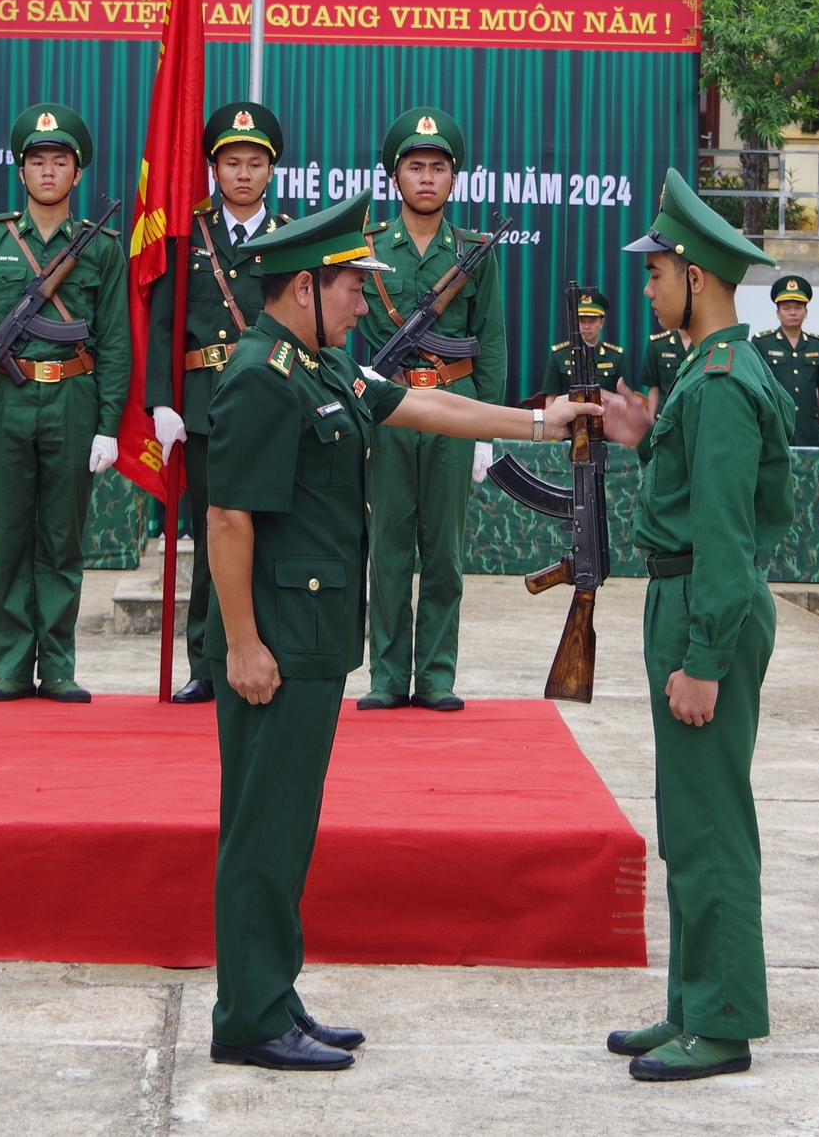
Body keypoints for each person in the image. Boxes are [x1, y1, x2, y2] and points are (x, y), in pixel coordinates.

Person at [204, 190, 600, 1072]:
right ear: (304, 287)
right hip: (275, 641)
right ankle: (247, 1017)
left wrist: (538, 421)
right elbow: (227, 518)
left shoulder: (321, 365)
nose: (361, 302)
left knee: (286, 827)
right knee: (263, 830)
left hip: (308, 636)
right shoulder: (263, 377)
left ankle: (271, 992)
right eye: (350, 287)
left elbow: (429, 408)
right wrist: (239, 642)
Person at [597, 167, 793, 1083]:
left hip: (702, 609)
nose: (647, 286)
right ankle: (689, 1001)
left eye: (656, 272)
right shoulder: (710, 373)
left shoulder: (717, 382)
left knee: (709, 821)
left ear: (697, 279)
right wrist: (646, 440)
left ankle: (719, 1022)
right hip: (686, 599)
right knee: (688, 815)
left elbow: (722, 534)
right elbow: (695, 496)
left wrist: (704, 656)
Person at [0, 102, 128, 705]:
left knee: (62, 538)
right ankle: (12, 664)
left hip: (73, 399)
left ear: (77, 173)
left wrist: (108, 425)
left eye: (59, 161)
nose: (47, 171)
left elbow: (114, 340)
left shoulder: (102, 247)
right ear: (20, 171)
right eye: (37, 161)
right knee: (10, 535)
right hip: (5, 400)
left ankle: (57, 666)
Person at [355, 107, 506, 713]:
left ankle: (437, 674)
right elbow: (337, 329)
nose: (426, 178)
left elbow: (489, 340)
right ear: (395, 177)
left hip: (453, 407)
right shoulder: (366, 248)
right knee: (388, 546)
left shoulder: (473, 252)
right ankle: (387, 677)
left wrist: (488, 429)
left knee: (444, 549)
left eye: (437, 168)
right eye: (415, 167)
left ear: (453, 179)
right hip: (388, 410)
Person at [147, 102, 289, 705]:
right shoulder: (189, 236)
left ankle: (272, 652)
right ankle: (207, 662)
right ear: (213, 169)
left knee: (276, 536)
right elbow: (161, 327)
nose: (243, 174)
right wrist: (160, 402)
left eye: (255, 163)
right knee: (211, 539)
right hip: (205, 409)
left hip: (278, 408)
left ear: (270, 171)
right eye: (232, 162)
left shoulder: (291, 237)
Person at [753, 275, 819, 449]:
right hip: (774, 423)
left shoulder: (818, 344)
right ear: (777, 313)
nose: (792, 312)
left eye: (798, 307)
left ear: (806, 312)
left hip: (808, 425)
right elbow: (756, 387)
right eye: (786, 308)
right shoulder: (762, 342)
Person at [540, 287, 629, 397]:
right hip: (569, 413)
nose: (586, 327)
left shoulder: (616, 357)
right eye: (581, 321)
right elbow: (551, 397)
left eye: (592, 321)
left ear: (602, 323)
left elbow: (626, 399)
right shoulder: (558, 355)